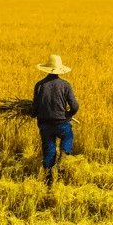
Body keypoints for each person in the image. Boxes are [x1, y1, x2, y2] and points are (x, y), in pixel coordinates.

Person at [32, 54, 79, 186]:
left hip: (45, 124)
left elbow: (35, 106)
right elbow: (75, 106)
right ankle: (63, 156)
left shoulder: (40, 85)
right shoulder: (65, 85)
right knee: (68, 136)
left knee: (49, 148)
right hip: (62, 122)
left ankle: (48, 179)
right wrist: (69, 114)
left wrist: (32, 113)